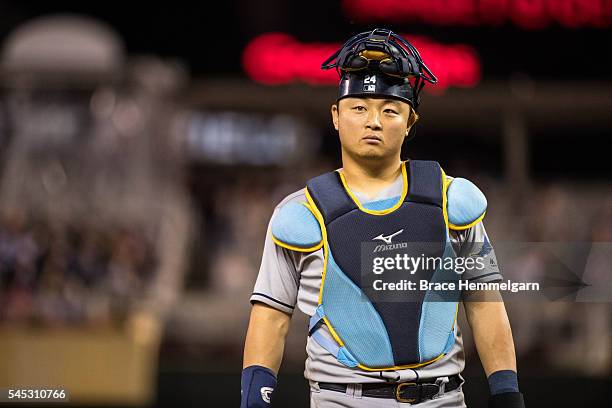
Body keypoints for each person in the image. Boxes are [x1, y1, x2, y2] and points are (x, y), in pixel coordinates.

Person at [241, 28, 525, 408]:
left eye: (389, 109)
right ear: (336, 116)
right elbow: (271, 316)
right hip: (341, 400)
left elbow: (484, 301)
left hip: (442, 399)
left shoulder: (450, 200)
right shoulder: (300, 214)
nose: (373, 120)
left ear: (410, 122)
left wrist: (507, 393)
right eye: (359, 107)